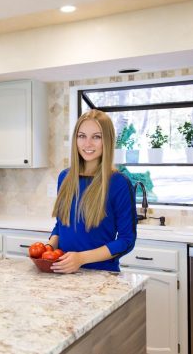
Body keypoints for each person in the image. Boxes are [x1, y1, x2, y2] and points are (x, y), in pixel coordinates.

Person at [48, 109, 136, 273]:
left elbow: (126, 240)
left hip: (101, 274)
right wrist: (47, 248)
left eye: (96, 137)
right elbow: (61, 225)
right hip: (63, 271)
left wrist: (81, 258)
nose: (87, 144)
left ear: (107, 141)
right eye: (82, 136)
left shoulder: (119, 183)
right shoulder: (64, 177)